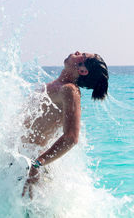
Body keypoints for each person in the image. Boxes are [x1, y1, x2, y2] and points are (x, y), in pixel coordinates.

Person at [22, 51, 109, 199]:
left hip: (33, 169)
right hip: (22, 161)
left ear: (83, 71)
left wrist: (37, 164)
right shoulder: (56, 85)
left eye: (82, 55)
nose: (76, 52)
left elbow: (71, 137)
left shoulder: (70, 90)